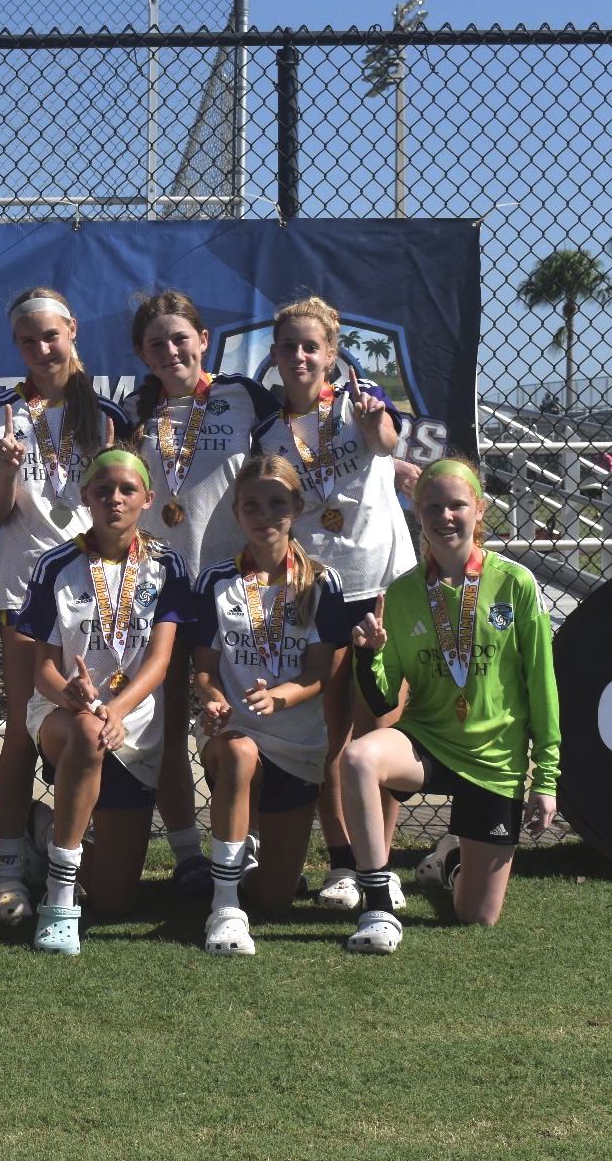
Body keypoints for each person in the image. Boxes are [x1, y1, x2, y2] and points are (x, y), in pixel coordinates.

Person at [339, 457, 560, 954]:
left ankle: (451, 859)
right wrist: (367, 656)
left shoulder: (515, 584)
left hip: (494, 759)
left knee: (476, 917)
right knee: (359, 758)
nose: (445, 516)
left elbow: (541, 685)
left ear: (479, 510)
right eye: (432, 506)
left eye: (457, 505)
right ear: (417, 513)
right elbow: (381, 696)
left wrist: (545, 779)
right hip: (428, 743)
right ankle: (378, 904)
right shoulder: (402, 593)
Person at [249, 295, 414, 910]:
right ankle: (343, 861)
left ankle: (381, 863)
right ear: (274, 355)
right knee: (329, 735)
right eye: (289, 346)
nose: (300, 356)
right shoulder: (267, 432)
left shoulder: (359, 402)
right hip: (315, 590)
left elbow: (387, 439)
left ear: (332, 353)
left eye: (311, 346)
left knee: (379, 727)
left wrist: (377, 431)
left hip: (379, 585)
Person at [0, 286, 129, 922]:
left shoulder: (107, 413)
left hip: (97, 593)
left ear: (73, 332)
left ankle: (66, 844)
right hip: (24, 592)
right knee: (19, 730)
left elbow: (122, 503)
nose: (41, 349)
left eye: (50, 335)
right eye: (27, 340)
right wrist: (8, 470)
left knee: (95, 722)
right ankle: (9, 867)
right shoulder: (3, 413)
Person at [126, 291, 282, 895]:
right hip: (160, 590)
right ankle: (188, 852)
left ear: (204, 340)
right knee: (166, 725)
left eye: (180, 338)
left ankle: (247, 843)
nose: (170, 351)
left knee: (244, 719)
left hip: (233, 587)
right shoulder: (134, 410)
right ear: (142, 354)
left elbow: (295, 458)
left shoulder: (244, 397)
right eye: (156, 343)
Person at [11, 449, 188, 953]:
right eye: (103, 489)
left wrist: (119, 709)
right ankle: (59, 898)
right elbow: (43, 668)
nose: (115, 498)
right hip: (65, 716)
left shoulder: (166, 565)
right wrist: (70, 695)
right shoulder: (55, 564)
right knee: (89, 735)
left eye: (127, 490)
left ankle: (44, 829)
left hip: (132, 720)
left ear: (147, 499)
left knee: (113, 900)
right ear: (85, 496)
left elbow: (160, 660)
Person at [189, 455, 351, 956]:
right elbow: (203, 671)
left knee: (275, 899)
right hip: (234, 734)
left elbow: (321, 674)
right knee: (239, 754)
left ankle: (248, 858)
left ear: (297, 507)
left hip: (297, 744)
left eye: (277, 504)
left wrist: (278, 697)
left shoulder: (321, 582)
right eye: (252, 505)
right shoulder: (215, 581)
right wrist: (215, 700)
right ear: (236, 511)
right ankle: (224, 907)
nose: (264, 516)